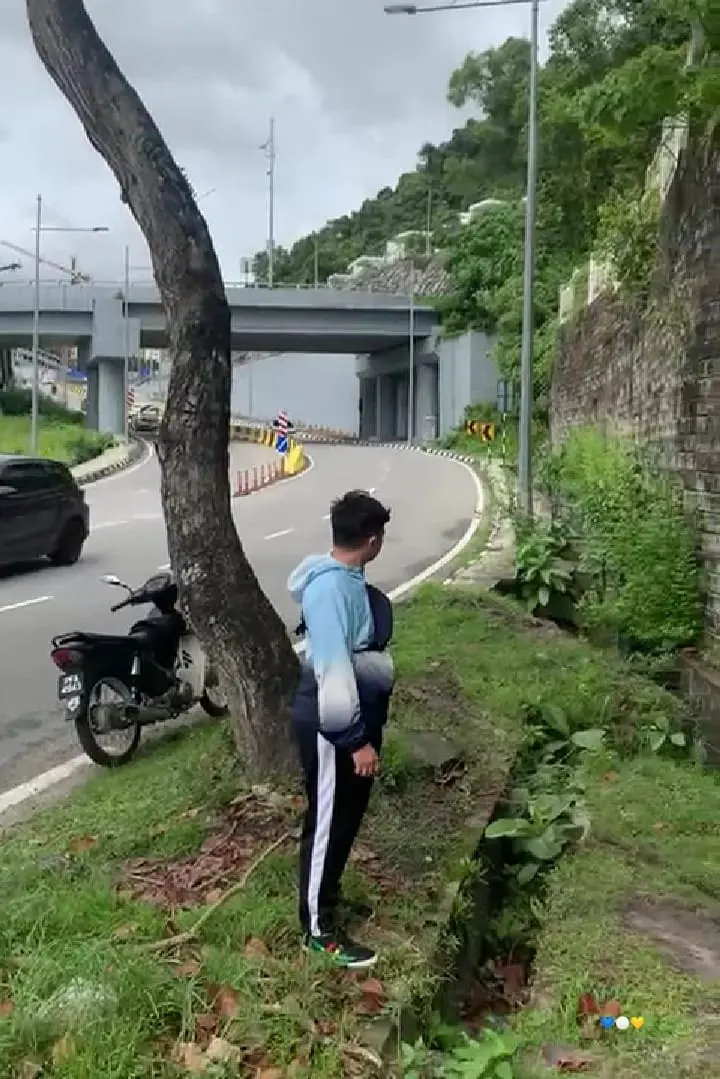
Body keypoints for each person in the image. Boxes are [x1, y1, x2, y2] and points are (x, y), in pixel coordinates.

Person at [287, 490, 394, 969]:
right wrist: (355, 741)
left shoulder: (349, 580)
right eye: (382, 538)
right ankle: (317, 929)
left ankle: (326, 899)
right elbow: (332, 671)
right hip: (334, 732)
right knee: (328, 825)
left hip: (355, 725)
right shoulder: (328, 591)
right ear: (371, 540)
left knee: (346, 820)